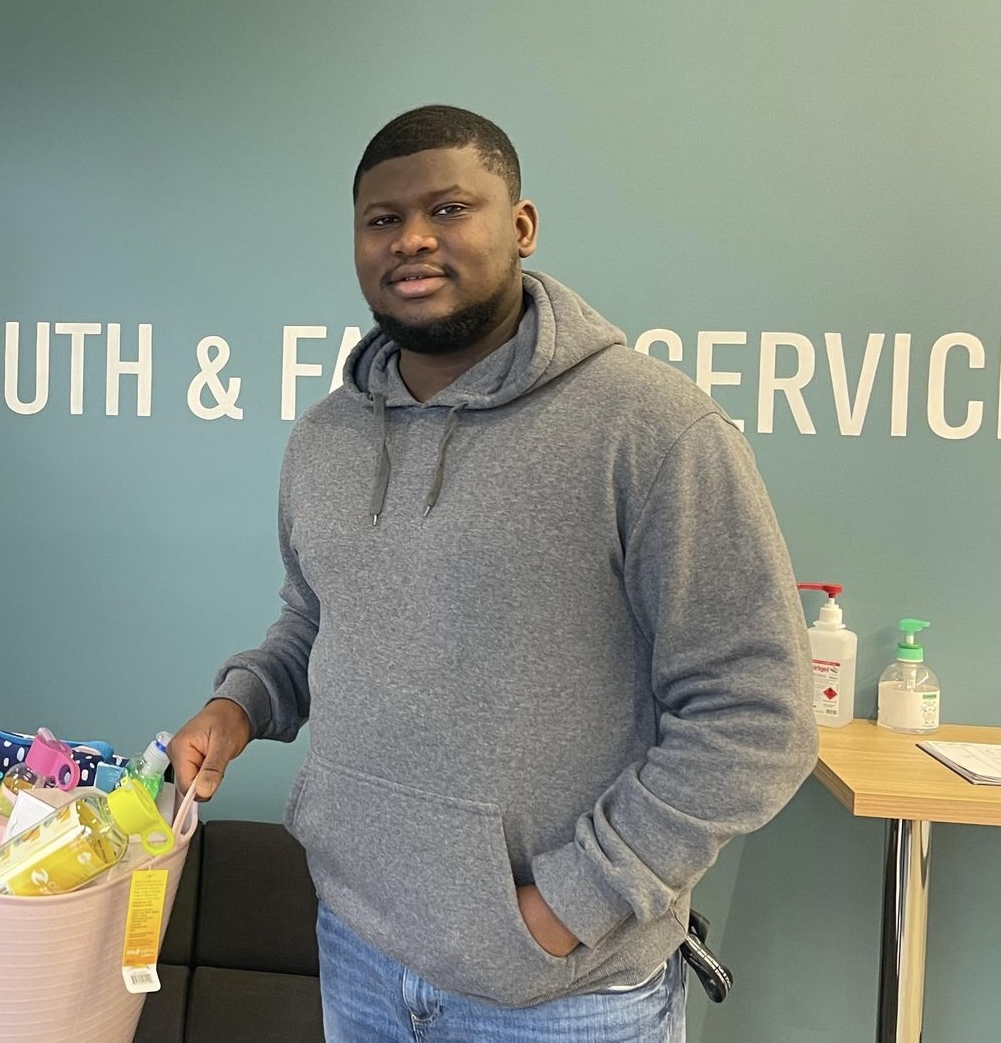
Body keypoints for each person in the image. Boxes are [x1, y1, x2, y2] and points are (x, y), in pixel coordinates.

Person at [168, 105, 816, 1042]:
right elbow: (315, 621)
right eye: (382, 219)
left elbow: (759, 713)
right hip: (357, 947)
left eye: (448, 208)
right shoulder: (328, 437)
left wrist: (564, 906)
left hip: (565, 994)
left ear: (520, 227)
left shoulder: (650, 427)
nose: (412, 239)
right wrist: (238, 706)